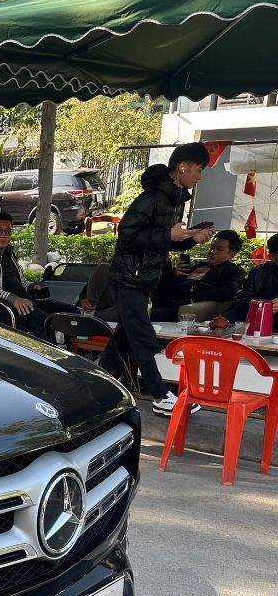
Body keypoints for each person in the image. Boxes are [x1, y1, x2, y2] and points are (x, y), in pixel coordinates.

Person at [99, 143, 216, 415]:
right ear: (183, 167)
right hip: (129, 277)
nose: (200, 177)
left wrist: (193, 238)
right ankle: (161, 395)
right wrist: (168, 235)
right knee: (141, 335)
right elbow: (127, 234)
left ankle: (97, 386)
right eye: (199, 170)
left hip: (144, 279)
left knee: (125, 338)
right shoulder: (152, 197)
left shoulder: (175, 200)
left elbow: (166, 242)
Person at [0, 212, 80, 339]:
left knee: (71, 313)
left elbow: (20, 281)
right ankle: (47, 352)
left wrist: (31, 286)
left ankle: (75, 348)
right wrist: (14, 299)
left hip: (23, 300)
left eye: (7, 231)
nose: (3, 235)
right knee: (43, 321)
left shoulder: (9, 255)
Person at [219, 233, 278, 332]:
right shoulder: (259, 272)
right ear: (272, 257)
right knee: (227, 318)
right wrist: (259, 304)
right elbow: (239, 299)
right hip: (258, 316)